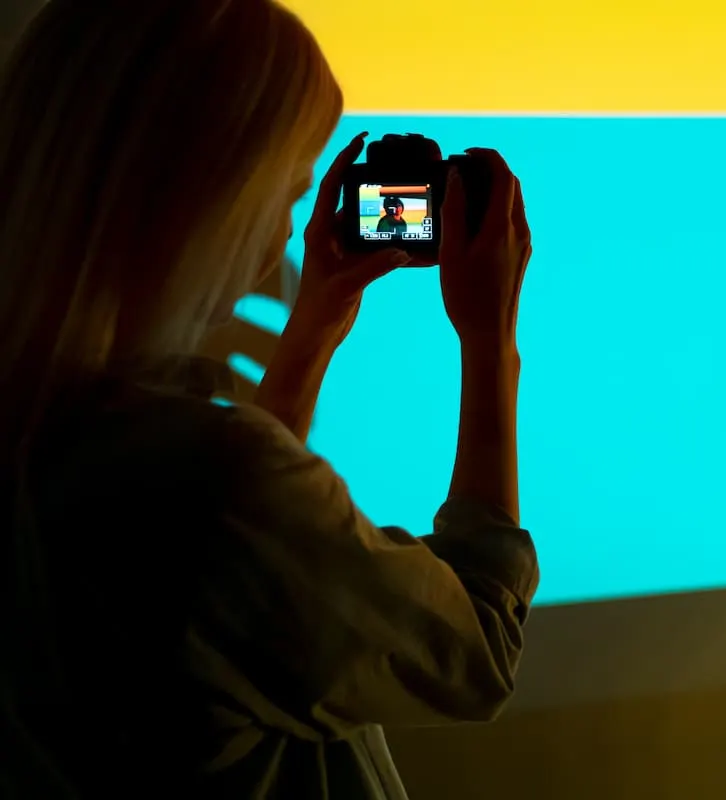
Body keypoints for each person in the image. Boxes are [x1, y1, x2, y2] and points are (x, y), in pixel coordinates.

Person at [0, 1, 537, 798]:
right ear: (207, 197)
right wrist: (489, 343)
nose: (282, 235)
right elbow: (475, 651)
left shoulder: (48, 432)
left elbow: (227, 575)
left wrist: (317, 318)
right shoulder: (216, 493)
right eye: (285, 192)